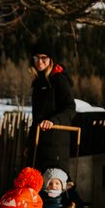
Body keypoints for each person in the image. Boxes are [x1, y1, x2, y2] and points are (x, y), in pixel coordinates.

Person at [26, 46, 76, 174]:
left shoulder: (59, 79)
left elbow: (70, 107)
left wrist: (53, 121)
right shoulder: (38, 83)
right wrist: (29, 144)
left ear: (51, 59)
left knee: (52, 189)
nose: (39, 61)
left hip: (55, 145)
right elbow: (38, 118)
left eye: (44, 58)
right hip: (38, 143)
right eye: (36, 57)